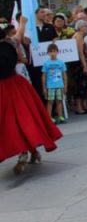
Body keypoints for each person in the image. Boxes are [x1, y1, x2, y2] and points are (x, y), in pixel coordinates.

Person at [0, 29, 62, 175]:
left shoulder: (10, 44)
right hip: (16, 85)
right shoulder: (10, 44)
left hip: (9, 87)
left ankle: (26, 152)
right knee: (21, 120)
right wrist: (22, 23)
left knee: (14, 122)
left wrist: (22, 24)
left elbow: (19, 41)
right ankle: (30, 151)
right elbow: (19, 41)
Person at [42, 43, 68, 124]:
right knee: (50, 102)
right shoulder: (46, 63)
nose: (53, 53)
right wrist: (44, 87)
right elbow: (44, 75)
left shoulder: (61, 63)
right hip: (50, 86)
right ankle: (49, 118)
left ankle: (60, 116)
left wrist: (65, 85)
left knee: (59, 101)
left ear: (57, 52)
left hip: (60, 85)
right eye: (51, 52)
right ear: (48, 53)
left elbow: (64, 74)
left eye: (54, 51)